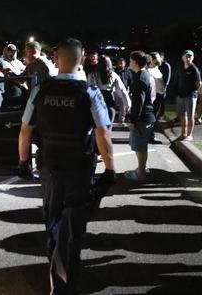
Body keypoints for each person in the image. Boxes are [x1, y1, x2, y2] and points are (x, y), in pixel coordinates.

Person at [18, 37, 115, 295]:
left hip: (50, 171)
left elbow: (25, 130)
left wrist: (24, 162)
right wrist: (110, 169)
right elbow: (102, 134)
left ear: (56, 60)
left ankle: (57, 282)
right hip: (79, 171)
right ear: (81, 60)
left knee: (54, 228)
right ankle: (65, 286)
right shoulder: (89, 93)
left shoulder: (40, 91)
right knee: (73, 233)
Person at [124, 51, 155, 182]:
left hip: (142, 118)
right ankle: (141, 168)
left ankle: (141, 173)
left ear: (135, 62)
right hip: (146, 116)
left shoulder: (141, 78)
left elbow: (138, 103)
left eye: (130, 60)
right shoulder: (145, 74)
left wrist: (132, 120)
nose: (129, 63)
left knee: (140, 147)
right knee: (140, 146)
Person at [87, 55, 130, 126]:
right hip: (109, 104)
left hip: (96, 104)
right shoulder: (113, 75)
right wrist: (127, 103)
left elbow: (89, 91)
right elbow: (122, 91)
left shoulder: (92, 75)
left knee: (96, 129)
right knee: (108, 130)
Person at [175, 50, 202, 141]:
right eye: (186, 56)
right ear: (182, 57)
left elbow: (199, 83)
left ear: (193, 58)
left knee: (190, 116)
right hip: (180, 95)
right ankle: (183, 133)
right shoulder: (180, 67)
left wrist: (193, 92)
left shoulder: (194, 69)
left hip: (190, 96)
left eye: (190, 56)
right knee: (182, 115)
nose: (188, 58)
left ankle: (190, 135)